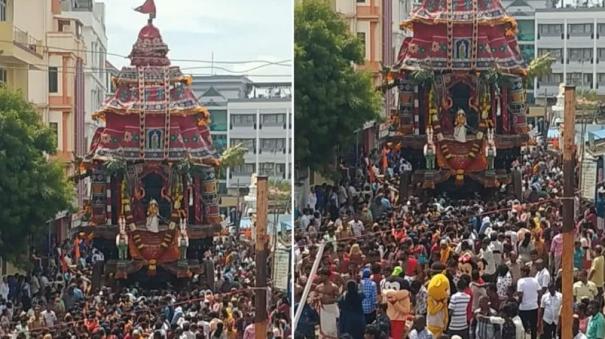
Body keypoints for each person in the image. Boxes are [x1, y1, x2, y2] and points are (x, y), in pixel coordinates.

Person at [517, 265, 540, 339]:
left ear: (524, 272)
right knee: (533, 327)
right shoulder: (535, 280)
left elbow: (520, 295)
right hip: (534, 307)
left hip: (524, 308)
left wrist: (518, 304)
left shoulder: (520, 281)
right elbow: (539, 292)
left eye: (521, 272)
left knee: (523, 327)